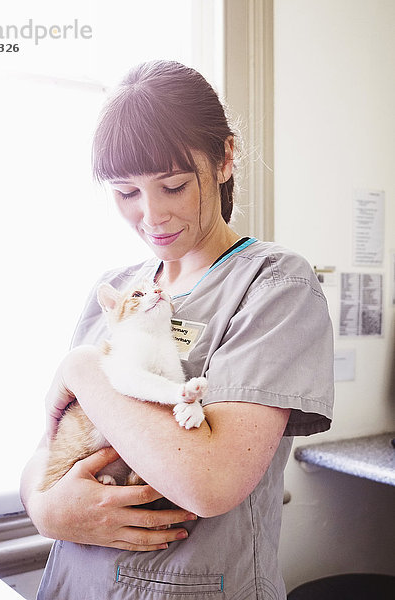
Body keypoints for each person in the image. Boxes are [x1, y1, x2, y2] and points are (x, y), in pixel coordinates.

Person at [20, 60, 334, 600]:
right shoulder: (116, 288)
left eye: (172, 185)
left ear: (225, 159)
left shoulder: (273, 286)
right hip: (76, 583)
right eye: (126, 193)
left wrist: (84, 369)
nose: (152, 215)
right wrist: (49, 511)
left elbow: (208, 482)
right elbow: (47, 452)